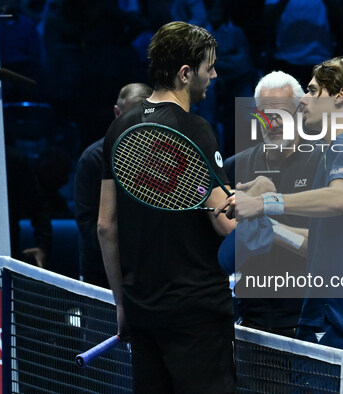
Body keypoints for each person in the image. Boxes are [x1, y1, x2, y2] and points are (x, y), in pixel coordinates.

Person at [218, 56, 343, 354]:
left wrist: (265, 203)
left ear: (341, 95)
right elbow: (318, 243)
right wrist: (269, 227)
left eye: (313, 92)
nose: (305, 101)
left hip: (342, 315)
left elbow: (340, 199)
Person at [98, 21, 236, 393]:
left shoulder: (118, 128)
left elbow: (105, 226)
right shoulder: (196, 130)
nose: (215, 74)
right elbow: (226, 224)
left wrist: (122, 304)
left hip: (143, 309)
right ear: (185, 73)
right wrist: (257, 205)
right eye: (210, 67)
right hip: (196, 313)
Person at [224, 70, 322, 337]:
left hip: (309, 323)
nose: (274, 123)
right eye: (267, 114)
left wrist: (266, 222)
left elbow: (328, 247)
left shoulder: (324, 164)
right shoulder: (235, 166)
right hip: (251, 322)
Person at [74, 83, 152, 288]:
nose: (138, 122)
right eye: (131, 115)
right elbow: (89, 224)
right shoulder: (93, 159)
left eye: (145, 115)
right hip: (101, 274)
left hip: (151, 272)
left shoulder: (164, 155)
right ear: (117, 112)